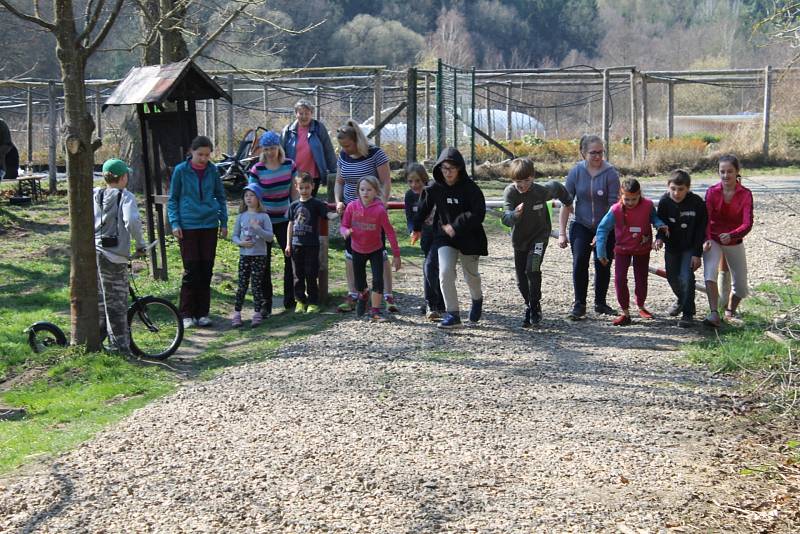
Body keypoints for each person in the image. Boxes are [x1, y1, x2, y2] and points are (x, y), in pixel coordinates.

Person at [412, 147, 487, 329]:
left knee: (471, 277)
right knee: (445, 272)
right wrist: (416, 228)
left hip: (470, 237)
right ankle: (453, 314)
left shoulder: (471, 189)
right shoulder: (435, 188)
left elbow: (478, 214)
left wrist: (456, 225)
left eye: (452, 169)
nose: (448, 173)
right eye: (444, 168)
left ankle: (477, 300)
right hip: (445, 237)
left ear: (459, 169)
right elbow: (423, 207)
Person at [334, 120, 397, 313]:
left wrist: (382, 203)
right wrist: (338, 200)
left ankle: (387, 293)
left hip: (372, 212)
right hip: (351, 212)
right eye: (342, 146)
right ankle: (355, 292)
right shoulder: (343, 156)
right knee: (351, 253)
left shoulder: (376, 154)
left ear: (357, 141)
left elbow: (385, 181)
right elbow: (339, 181)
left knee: (379, 252)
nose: (344, 149)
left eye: (347, 145)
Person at [501, 158, 572, 327]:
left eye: (526, 181)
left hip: (539, 236)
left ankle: (534, 306)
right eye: (518, 181)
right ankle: (530, 304)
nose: (522, 185)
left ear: (532, 177)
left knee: (532, 268)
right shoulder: (510, 192)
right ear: (513, 180)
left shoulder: (541, 191)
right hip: (519, 240)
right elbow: (505, 218)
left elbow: (557, 187)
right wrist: (515, 215)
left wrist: (568, 202)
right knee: (521, 280)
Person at [168, 136, 228, 329]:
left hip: (209, 224)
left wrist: (223, 221)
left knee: (206, 269)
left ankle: (202, 313)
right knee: (191, 270)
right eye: (200, 154)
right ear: (191, 152)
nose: (203, 158)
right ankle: (186, 313)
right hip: (188, 225)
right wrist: (175, 223)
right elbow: (173, 199)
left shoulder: (213, 170)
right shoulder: (180, 171)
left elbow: (221, 196)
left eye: (207, 155)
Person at [558, 134, 620, 320]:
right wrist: (561, 233)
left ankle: (600, 302)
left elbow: (613, 207)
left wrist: (602, 233)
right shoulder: (576, 172)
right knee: (580, 261)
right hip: (581, 224)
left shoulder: (611, 173)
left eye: (601, 152)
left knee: (603, 261)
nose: (597, 156)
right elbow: (566, 202)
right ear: (583, 153)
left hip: (606, 226)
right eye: (593, 153)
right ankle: (579, 304)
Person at [595, 178, 667, 326]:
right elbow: (602, 229)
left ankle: (641, 305)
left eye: (634, 199)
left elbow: (654, 218)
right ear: (621, 195)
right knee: (620, 279)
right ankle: (625, 312)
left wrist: (660, 225)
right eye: (626, 199)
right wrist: (601, 253)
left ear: (639, 194)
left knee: (641, 279)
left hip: (642, 248)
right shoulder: (615, 209)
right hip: (622, 249)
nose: (630, 202)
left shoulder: (647, 205)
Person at [94, 158, 147, 354]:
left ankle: (97, 343)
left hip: (96, 253)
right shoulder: (126, 197)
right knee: (116, 304)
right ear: (123, 177)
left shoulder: (96, 194)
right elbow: (131, 220)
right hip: (114, 258)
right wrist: (141, 244)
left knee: (100, 303)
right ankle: (120, 349)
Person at [340, 176, 401, 322]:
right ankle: (364, 293)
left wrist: (396, 255)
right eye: (362, 189)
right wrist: (345, 232)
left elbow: (390, 233)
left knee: (378, 281)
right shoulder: (352, 207)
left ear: (376, 191)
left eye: (369, 190)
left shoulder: (380, 210)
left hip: (375, 250)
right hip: (357, 249)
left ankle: (375, 311)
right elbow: (343, 225)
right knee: (359, 283)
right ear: (358, 191)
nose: (365, 193)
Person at [702, 155, 753, 327]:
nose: (725, 175)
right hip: (714, 238)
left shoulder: (746, 194)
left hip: (734, 240)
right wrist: (707, 238)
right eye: (722, 171)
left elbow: (748, 223)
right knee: (709, 273)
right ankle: (714, 313)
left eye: (729, 171)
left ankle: (730, 311)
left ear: (737, 172)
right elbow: (705, 219)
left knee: (741, 285)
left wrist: (732, 234)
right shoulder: (711, 192)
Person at [248, 130, 296, 314]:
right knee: (263, 260)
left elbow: (294, 190)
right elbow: (252, 194)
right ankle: (265, 303)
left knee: (290, 256)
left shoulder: (289, 165)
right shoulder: (257, 169)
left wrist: (296, 210)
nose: (270, 152)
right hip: (264, 220)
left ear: (279, 148)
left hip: (285, 218)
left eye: (273, 148)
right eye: (266, 149)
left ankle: (290, 299)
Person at [656, 170, 707, 327]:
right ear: (668, 187)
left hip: (690, 247)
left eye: (681, 189)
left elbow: (701, 230)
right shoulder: (664, 202)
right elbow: (661, 225)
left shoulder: (697, 203)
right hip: (672, 247)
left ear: (688, 188)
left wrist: (697, 253)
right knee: (672, 278)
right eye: (673, 189)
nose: (676, 193)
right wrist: (659, 238)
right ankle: (681, 299)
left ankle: (688, 313)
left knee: (686, 276)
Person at [404, 163, 445, 320]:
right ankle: (439, 301)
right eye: (410, 181)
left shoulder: (432, 191)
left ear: (425, 180)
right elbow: (410, 217)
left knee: (430, 266)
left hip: (439, 233)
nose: (414, 185)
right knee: (432, 267)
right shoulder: (409, 196)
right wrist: (413, 230)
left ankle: (431, 304)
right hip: (424, 235)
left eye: (418, 181)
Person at [231, 183, 274, 328]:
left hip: (260, 255)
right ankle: (237, 313)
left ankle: (257, 313)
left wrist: (258, 229)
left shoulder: (264, 216)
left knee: (256, 285)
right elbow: (235, 236)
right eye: (246, 196)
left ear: (258, 198)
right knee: (242, 285)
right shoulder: (241, 216)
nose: (248, 198)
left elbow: (269, 237)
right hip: (245, 255)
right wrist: (241, 243)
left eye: (252, 195)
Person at [285, 172, 329, 314]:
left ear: (312, 187)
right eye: (301, 188)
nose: (304, 191)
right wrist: (288, 244)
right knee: (297, 275)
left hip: (312, 245)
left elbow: (327, 216)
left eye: (307, 187)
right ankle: (300, 301)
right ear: (296, 188)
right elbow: (290, 224)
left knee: (311, 273)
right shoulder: (293, 206)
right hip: (296, 245)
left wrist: (340, 213)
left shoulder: (317, 204)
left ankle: (313, 302)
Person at [281, 99, 337, 197]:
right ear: (296, 114)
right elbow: (281, 153)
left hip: (313, 175)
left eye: (307, 113)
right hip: (294, 175)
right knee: (296, 202)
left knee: (310, 202)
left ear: (311, 114)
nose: (304, 116)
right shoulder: (288, 130)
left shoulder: (319, 128)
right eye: (301, 113)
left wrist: (334, 171)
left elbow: (328, 150)